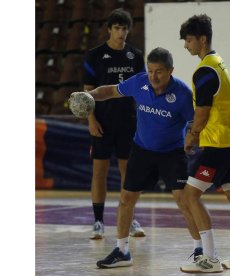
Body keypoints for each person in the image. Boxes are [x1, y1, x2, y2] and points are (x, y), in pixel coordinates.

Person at [74, 47, 202, 269]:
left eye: (159, 72)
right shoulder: (140, 82)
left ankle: (200, 251)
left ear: (171, 70)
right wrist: (90, 95)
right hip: (142, 150)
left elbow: (196, 122)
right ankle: (122, 251)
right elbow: (111, 91)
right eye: (150, 71)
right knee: (126, 199)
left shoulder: (182, 94)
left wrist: (191, 138)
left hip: (172, 153)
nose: (153, 76)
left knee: (184, 200)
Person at [178, 14, 230, 273]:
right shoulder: (218, 62)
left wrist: (191, 136)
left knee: (190, 196)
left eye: (188, 40)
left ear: (202, 39)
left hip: (218, 145)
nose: (186, 45)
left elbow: (201, 114)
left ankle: (209, 258)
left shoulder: (204, 71)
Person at [82, 8, 145, 239]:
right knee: (99, 171)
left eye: (125, 28)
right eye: (117, 28)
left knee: (128, 173)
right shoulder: (94, 56)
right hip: (102, 122)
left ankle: (130, 218)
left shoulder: (136, 56)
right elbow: (87, 93)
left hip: (128, 122)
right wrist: (91, 120)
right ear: (109, 29)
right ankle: (98, 221)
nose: (121, 32)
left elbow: (141, 91)